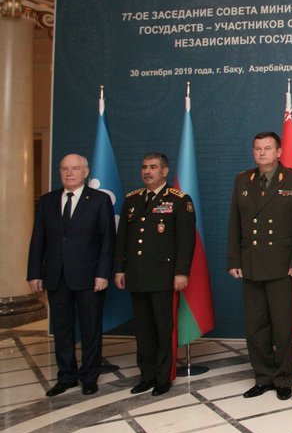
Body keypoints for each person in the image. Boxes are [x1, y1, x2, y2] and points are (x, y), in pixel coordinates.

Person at [228, 132, 292, 401]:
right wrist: (234, 259)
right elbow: (234, 223)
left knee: (282, 325)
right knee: (255, 327)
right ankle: (263, 376)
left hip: (281, 264)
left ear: (278, 152)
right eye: (258, 149)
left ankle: (283, 378)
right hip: (251, 263)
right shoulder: (243, 180)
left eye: (268, 148)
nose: (262, 153)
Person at [28, 153, 115, 396]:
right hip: (56, 276)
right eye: (64, 168)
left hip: (89, 277)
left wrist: (103, 274)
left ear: (85, 172)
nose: (69, 173)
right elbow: (38, 239)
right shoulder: (47, 201)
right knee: (62, 329)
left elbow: (108, 240)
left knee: (90, 329)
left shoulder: (99, 200)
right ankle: (66, 376)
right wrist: (34, 273)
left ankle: (89, 376)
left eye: (75, 168)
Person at [114, 153, 195, 396]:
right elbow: (122, 238)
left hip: (163, 276)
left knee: (163, 329)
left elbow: (186, 240)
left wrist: (181, 272)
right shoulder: (132, 200)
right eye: (144, 167)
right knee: (143, 330)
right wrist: (119, 268)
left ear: (164, 171)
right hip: (137, 275)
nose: (147, 171)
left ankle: (163, 377)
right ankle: (146, 375)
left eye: (153, 167)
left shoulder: (179, 200)